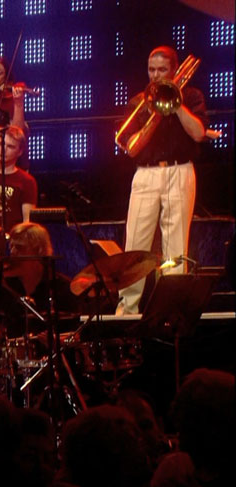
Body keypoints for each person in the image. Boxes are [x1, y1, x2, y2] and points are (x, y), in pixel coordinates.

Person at [116, 46, 207, 315]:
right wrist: (155, 112)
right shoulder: (139, 101)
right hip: (146, 173)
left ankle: (172, 309)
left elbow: (199, 133)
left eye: (162, 70)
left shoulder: (192, 96)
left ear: (175, 70)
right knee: (136, 242)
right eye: (151, 70)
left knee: (176, 245)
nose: (155, 75)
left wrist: (176, 105)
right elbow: (132, 148)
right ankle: (128, 308)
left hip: (180, 169)